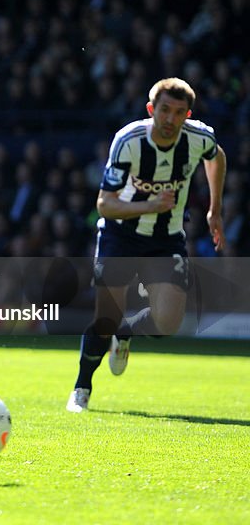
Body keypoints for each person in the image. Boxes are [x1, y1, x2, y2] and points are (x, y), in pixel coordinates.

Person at [67, 78, 226, 413]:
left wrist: (215, 208)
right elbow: (105, 205)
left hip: (165, 238)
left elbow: (217, 156)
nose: (170, 118)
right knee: (105, 319)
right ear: (151, 109)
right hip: (119, 235)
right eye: (164, 110)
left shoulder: (199, 138)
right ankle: (82, 386)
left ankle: (127, 332)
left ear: (188, 115)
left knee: (167, 324)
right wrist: (149, 206)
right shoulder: (128, 142)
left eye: (179, 112)